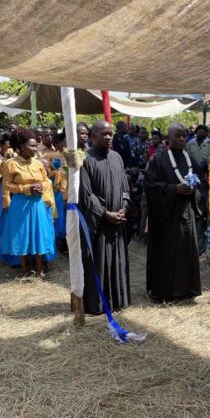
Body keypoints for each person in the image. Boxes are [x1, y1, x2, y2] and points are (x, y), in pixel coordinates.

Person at [145, 122, 202, 302]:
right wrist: (173, 189)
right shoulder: (157, 160)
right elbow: (150, 186)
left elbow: (203, 184)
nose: (182, 139)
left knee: (186, 251)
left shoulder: (190, 160)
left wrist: (194, 190)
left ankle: (186, 290)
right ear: (168, 138)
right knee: (166, 253)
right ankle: (163, 292)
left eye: (184, 135)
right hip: (165, 218)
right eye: (178, 136)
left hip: (186, 215)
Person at [78, 120, 131, 314]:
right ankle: (98, 304)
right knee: (99, 262)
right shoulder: (85, 159)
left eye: (111, 134)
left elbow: (125, 186)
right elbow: (87, 194)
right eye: (104, 134)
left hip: (118, 220)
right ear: (93, 136)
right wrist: (105, 213)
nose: (108, 137)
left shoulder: (117, 157)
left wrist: (124, 207)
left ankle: (118, 300)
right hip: (98, 222)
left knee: (117, 261)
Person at [0, 128, 55, 277]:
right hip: (20, 205)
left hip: (38, 204)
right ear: (22, 146)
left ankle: (39, 269)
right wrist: (26, 188)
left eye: (36, 145)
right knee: (21, 235)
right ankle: (24, 269)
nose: (36, 148)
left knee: (39, 234)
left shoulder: (38, 163)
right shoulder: (10, 164)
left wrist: (41, 186)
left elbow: (47, 181)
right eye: (32, 146)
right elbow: (7, 185)